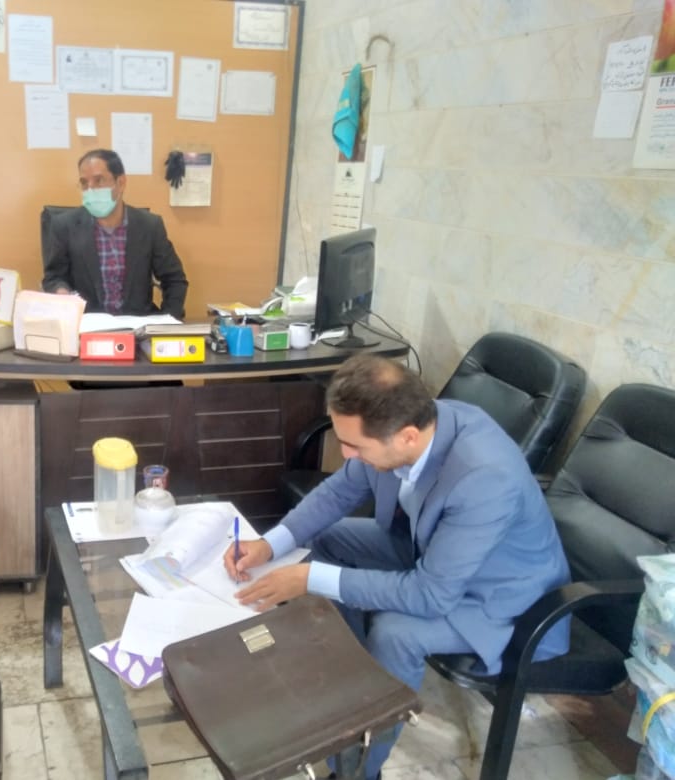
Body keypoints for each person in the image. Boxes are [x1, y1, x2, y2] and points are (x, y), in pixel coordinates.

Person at [224, 354, 570, 779]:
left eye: (356, 447)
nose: (346, 454)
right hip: (431, 552)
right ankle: (354, 677)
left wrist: (310, 578)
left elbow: (431, 595)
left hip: (504, 600)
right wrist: (269, 544)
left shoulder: (484, 476)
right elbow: (337, 494)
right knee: (329, 539)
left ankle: (357, 770)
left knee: (395, 633)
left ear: (406, 437)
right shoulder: (413, 426)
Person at [42, 149, 189, 319]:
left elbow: (174, 279)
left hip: (138, 324)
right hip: (87, 325)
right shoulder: (64, 226)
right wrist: (61, 292)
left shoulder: (149, 226)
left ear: (121, 183)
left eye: (99, 180)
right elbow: (53, 277)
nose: (90, 189)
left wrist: (166, 322)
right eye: (84, 183)